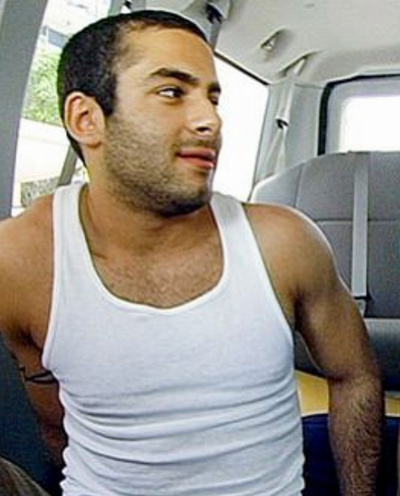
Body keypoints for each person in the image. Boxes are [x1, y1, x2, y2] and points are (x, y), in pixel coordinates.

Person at [0, 9, 383, 496]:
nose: (210, 121)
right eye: (172, 92)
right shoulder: (18, 261)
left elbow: (354, 376)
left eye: (213, 98)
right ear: (86, 118)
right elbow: (55, 426)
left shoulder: (284, 242)